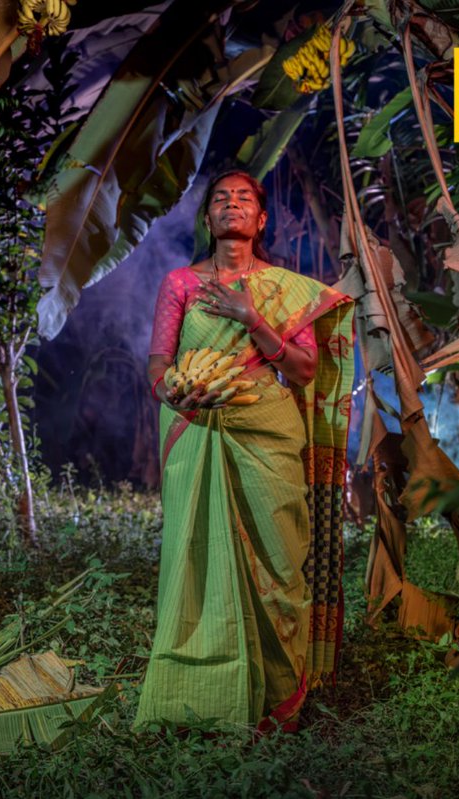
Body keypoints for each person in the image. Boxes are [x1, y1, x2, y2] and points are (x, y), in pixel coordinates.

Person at [135, 170, 354, 732]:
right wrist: (175, 392)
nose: (232, 205)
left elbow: (304, 371)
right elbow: (158, 362)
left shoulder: (287, 289)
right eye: (220, 199)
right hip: (196, 426)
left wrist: (252, 318)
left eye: (244, 199)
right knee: (197, 559)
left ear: (261, 220)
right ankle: (204, 696)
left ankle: (280, 697)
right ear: (207, 219)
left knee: (281, 561)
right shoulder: (180, 283)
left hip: (267, 430)